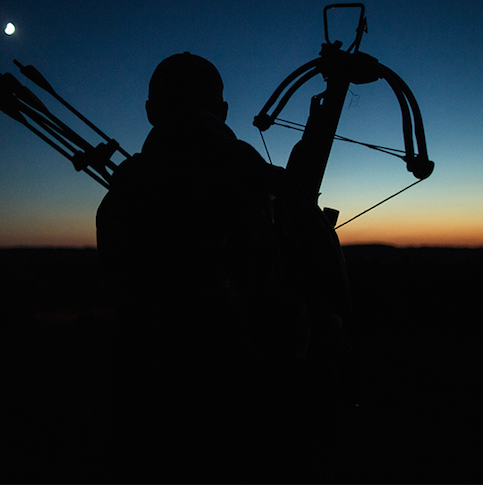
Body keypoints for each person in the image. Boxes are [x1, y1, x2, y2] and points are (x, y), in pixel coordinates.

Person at [96, 52, 352, 484]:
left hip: (151, 435)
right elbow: (332, 306)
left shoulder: (122, 197)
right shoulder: (270, 186)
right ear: (224, 112)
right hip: (263, 436)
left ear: (150, 112)